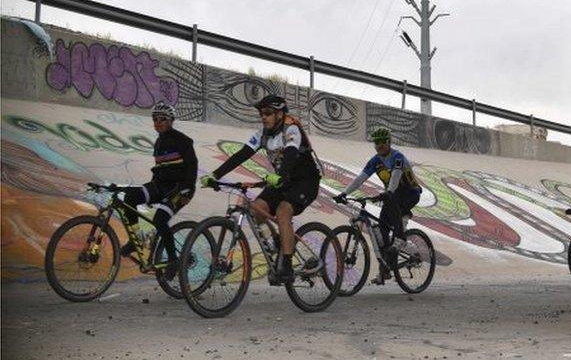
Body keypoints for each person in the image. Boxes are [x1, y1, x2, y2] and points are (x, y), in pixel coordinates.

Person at [200, 95, 322, 282]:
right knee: (256, 211)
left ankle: (287, 267)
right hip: (282, 180)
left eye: (268, 113)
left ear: (280, 114)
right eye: (261, 114)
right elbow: (241, 155)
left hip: (305, 181)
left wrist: (281, 175)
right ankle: (280, 241)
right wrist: (215, 175)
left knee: (283, 211)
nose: (263, 117)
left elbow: (290, 154)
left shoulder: (291, 129)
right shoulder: (263, 134)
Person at [117, 102, 197, 280]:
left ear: (171, 121)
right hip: (160, 186)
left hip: (179, 188)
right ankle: (136, 239)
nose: (158, 122)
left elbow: (192, 166)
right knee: (129, 198)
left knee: (160, 219)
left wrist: (188, 189)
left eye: (163, 119)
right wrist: (151, 192)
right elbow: (161, 169)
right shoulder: (159, 142)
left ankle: (173, 260)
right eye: (155, 119)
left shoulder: (182, 140)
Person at [334, 127, 422, 284]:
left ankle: (404, 241)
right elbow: (361, 177)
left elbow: (395, 179)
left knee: (397, 220)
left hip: (410, 193)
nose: (379, 146)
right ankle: (385, 271)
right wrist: (344, 193)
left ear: (389, 142)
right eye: (376, 143)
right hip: (391, 195)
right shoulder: (375, 161)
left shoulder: (397, 157)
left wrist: (387, 193)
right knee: (382, 229)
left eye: (382, 143)